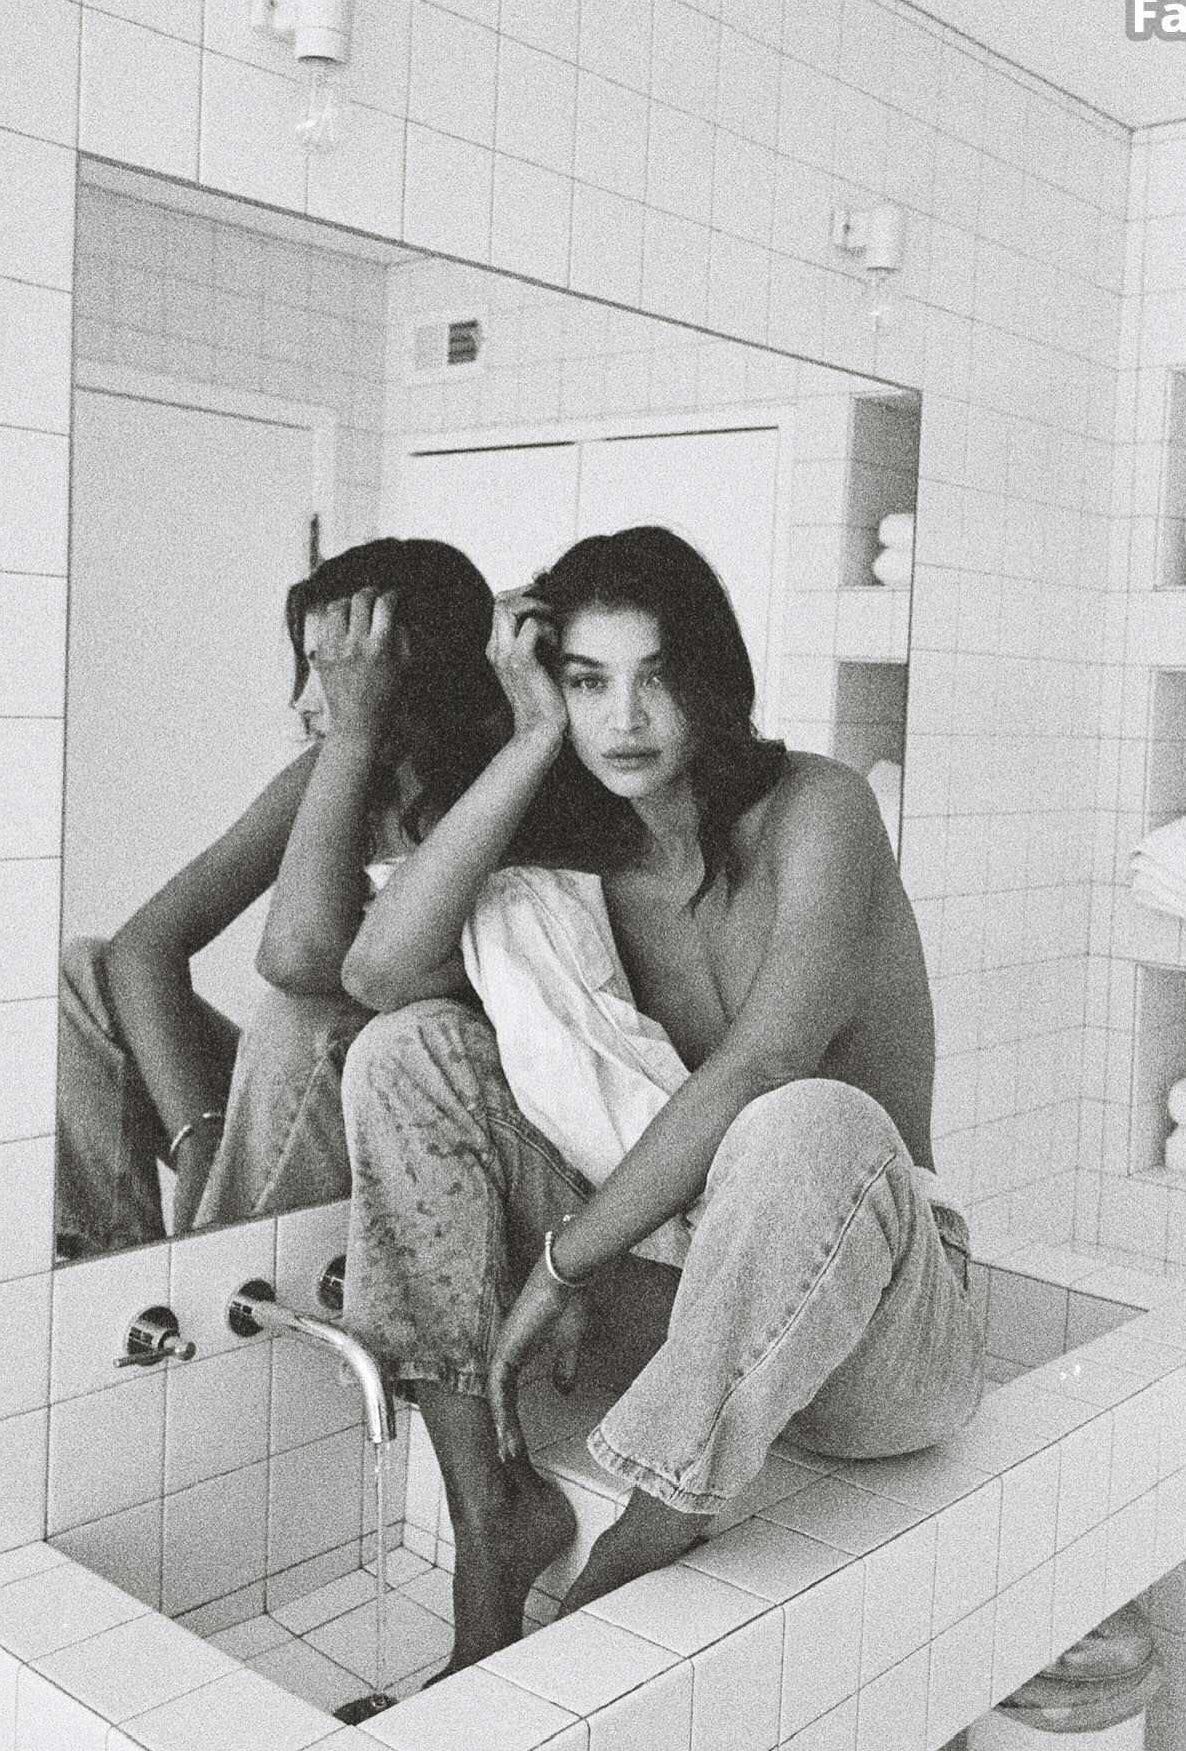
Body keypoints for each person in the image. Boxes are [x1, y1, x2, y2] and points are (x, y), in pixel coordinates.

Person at [339, 526, 982, 1677]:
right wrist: (530, 739)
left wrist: (562, 1265)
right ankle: (490, 1531)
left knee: (804, 1116)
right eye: (588, 683)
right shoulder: (582, 861)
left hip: (879, 1334)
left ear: (711, 679)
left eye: (657, 677)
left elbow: (765, 1062)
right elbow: (377, 975)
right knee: (406, 1050)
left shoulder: (818, 810)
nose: (625, 719)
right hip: (704, 1297)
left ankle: (643, 1540)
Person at [55, 537, 506, 1258]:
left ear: (405, 668)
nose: (304, 702)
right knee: (81, 976)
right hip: (309, 1093)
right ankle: (115, 1267)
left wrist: (355, 729)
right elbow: (142, 950)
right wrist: (199, 1135)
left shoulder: (494, 782)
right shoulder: (337, 774)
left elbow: (300, 959)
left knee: (301, 1018)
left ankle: (209, 1274)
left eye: (329, 669)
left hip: (421, 1104)